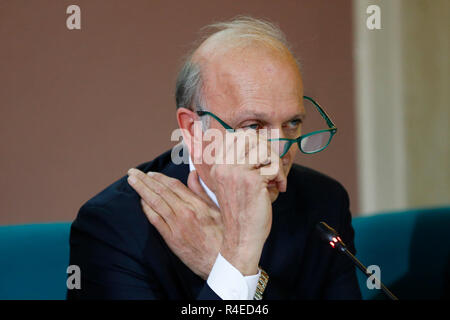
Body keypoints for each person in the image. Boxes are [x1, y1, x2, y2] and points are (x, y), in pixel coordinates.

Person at [67, 16, 361, 300]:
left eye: (292, 123)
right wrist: (238, 257)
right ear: (193, 130)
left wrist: (220, 265)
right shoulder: (115, 227)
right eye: (254, 127)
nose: (280, 149)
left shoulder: (324, 202)